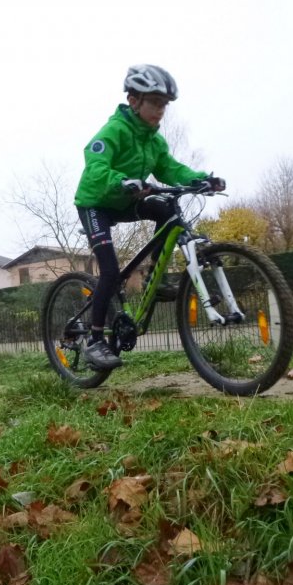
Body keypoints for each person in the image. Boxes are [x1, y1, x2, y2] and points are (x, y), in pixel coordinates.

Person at [74, 64, 226, 370]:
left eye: (164, 105)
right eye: (154, 102)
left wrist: (200, 179)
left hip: (126, 201)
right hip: (96, 203)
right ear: (133, 100)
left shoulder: (154, 141)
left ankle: (153, 282)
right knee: (109, 271)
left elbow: (171, 169)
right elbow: (95, 162)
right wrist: (122, 181)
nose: (160, 110)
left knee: (167, 208)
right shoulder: (114, 130)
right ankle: (94, 341)